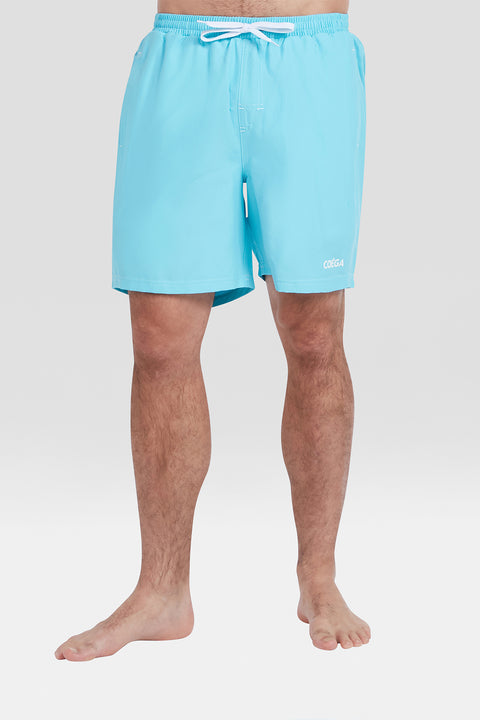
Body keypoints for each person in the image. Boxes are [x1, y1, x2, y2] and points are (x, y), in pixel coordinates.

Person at [55, 0, 370, 662]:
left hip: (308, 60)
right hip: (182, 62)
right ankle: (162, 591)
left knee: (315, 334)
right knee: (158, 338)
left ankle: (319, 578)